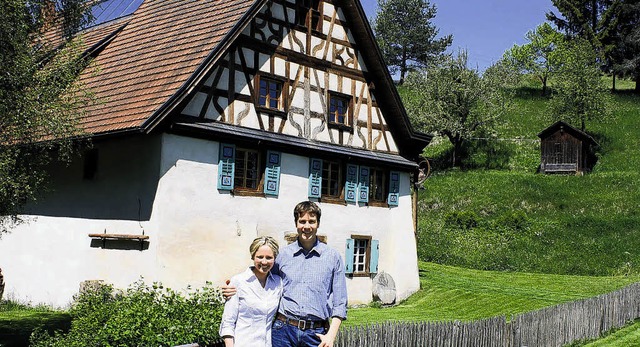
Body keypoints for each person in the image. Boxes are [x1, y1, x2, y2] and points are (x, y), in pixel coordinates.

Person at [223, 201, 348, 347]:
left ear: (318, 224)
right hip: (283, 331)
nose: (306, 226)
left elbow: (340, 302)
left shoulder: (333, 257)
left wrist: (331, 336)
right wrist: (233, 288)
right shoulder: (282, 255)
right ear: (296, 223)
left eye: (311, 221)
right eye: (302, 221)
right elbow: (262, 276)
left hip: (316, 334)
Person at [219, 236, 283, 347]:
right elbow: (228, 322)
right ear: (253, 256)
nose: (264, 261)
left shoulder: (278, 283)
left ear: (274, 259)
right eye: (260, 257)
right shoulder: (238, 282)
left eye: (269, 257)